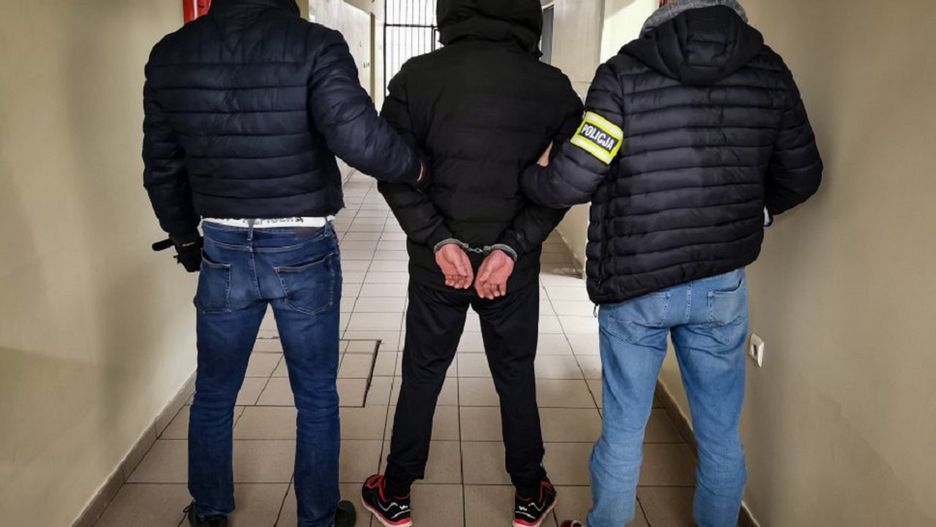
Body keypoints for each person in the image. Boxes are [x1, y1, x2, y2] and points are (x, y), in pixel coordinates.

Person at [521, 1, 823, 526]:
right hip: (720, 284)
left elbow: (574, 180)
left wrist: (533, 174)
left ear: (664, 6)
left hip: (635, 281)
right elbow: (802, 175)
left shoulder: (623, 73)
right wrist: (755, 213)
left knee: (623, 431)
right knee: (721, 435)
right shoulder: (768, 71)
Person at [142, 0, 425, 526]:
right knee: (315, 395)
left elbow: (161, 165)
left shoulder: (172, 53)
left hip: (222, 245)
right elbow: (358, 138)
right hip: (302, 245)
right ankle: (317, 517)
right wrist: (418, 168)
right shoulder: (314, 44)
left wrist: (185, 239)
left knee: (213, 392)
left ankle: (209, 511)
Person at [357, 1, 583, 526]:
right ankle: (530, 492)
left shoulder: (416, 77)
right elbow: (565, 182)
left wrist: (439, 241)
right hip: (512, 272)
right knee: (515, 375)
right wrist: (512, 248)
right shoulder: (554, 87)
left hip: (439, 267)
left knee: (422, 374)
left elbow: (392, 170)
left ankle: (395, 491)